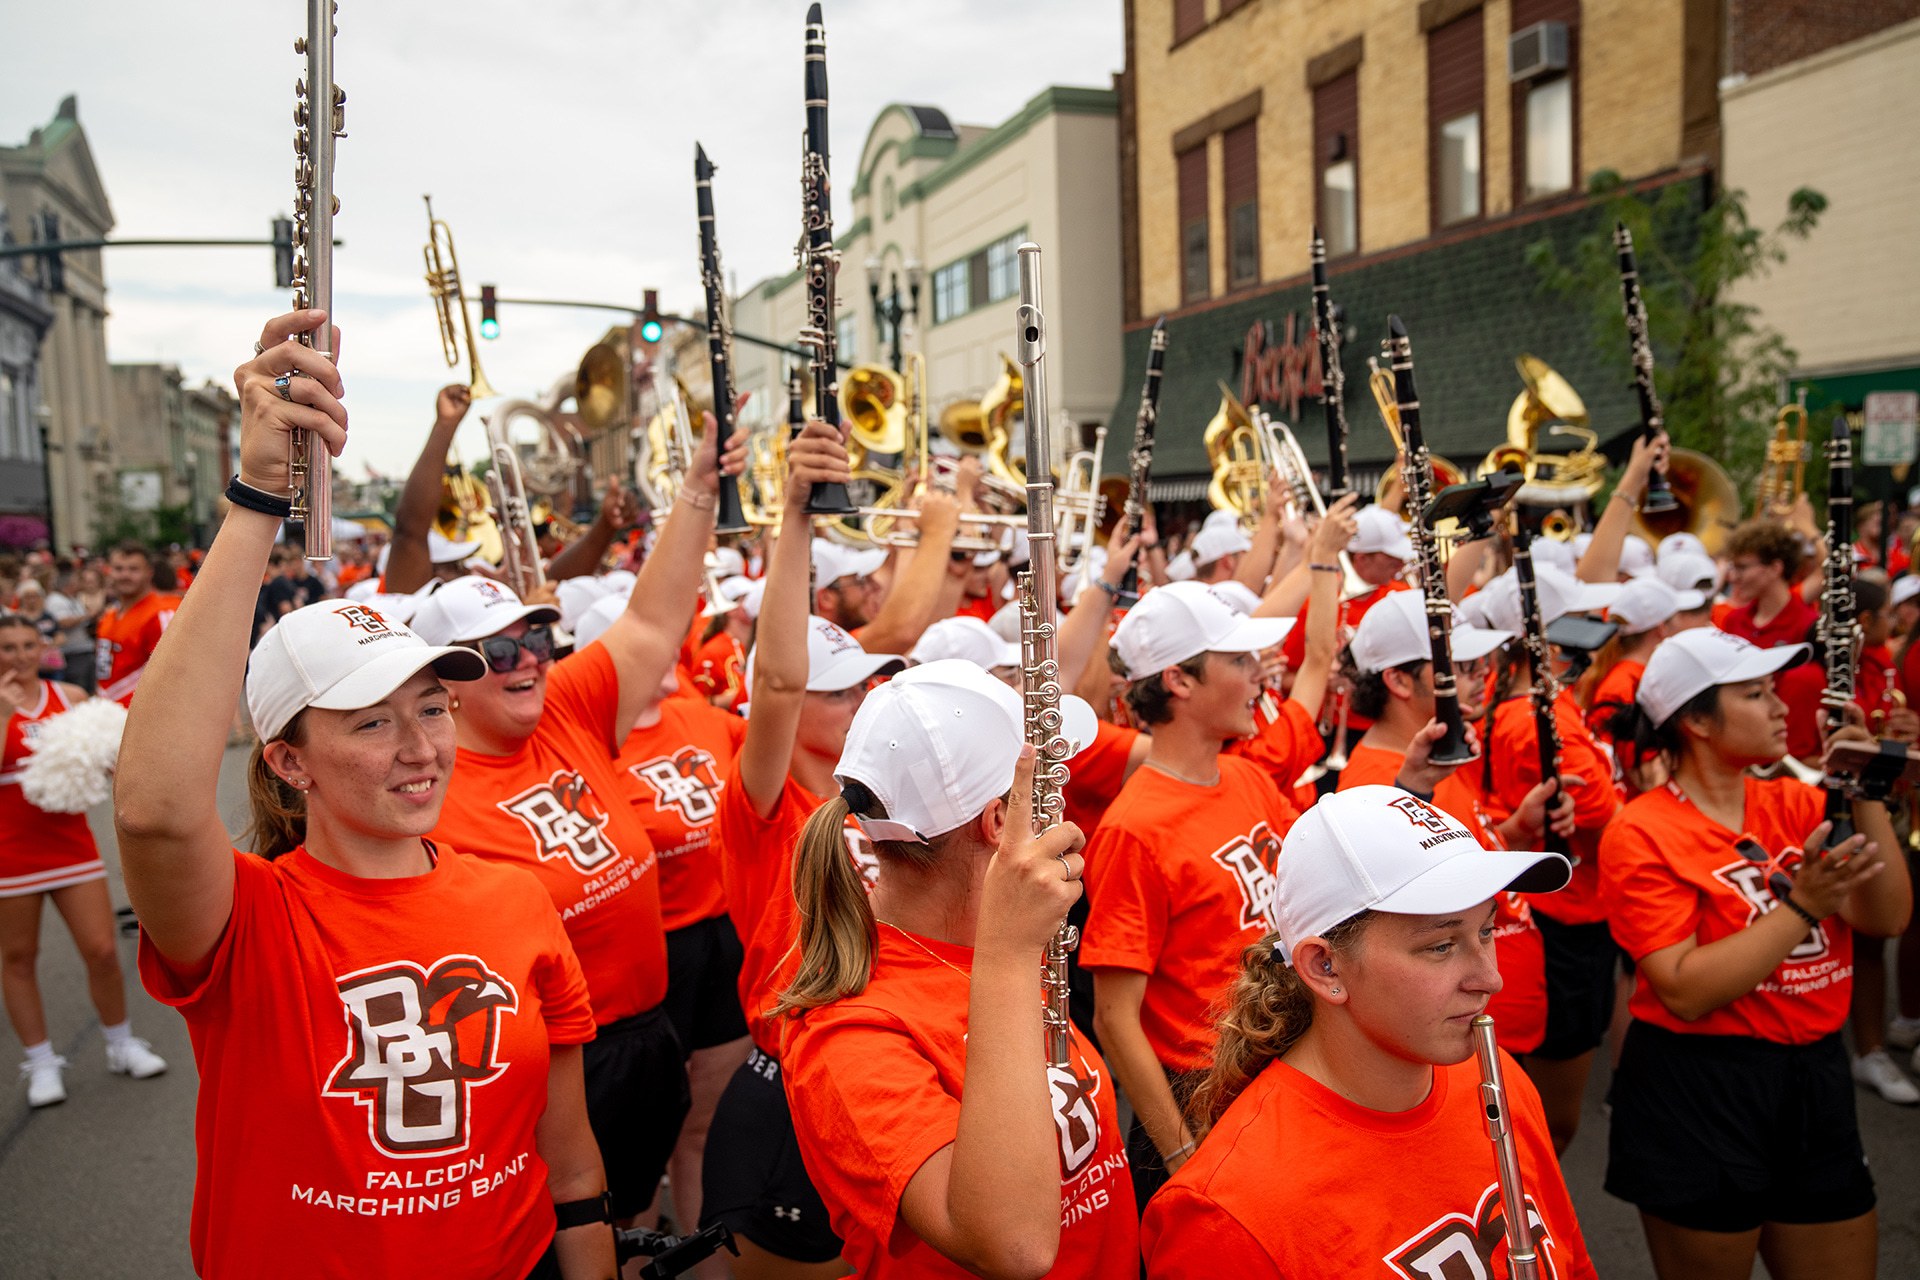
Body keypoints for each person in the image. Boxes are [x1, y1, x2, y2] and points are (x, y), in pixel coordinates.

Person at [116, 309, 614, 1279]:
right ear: (290, 761)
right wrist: (256, 495)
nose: (422, 747)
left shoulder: (515, 897)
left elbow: (570, 1157)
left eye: (431, 706)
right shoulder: (249, 922)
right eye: (372, 720)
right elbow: (153, 811)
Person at [411, 411, 743, 1232]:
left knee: (631, 1214)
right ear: (446, 680)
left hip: (648, 1029)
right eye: (497, 649)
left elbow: (652, 623)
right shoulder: (422, 788)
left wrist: (698, 490)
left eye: (534, 634)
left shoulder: (564, 706)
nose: (527, 657)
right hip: (554, 1062)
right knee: (565, 1233)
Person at [1140, 785, 1593, 1279]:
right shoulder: (1226, 1215)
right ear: (1325, 967)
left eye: (1485, 931)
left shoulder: (1495, 1077)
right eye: (1441, 946)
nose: (1491, 978)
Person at [778, 660, 1138, 1277]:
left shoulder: (988, 950)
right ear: (1001, 822)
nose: (1064, 808)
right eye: (1048, 787)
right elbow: (1015, 1248)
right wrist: (1006, 960)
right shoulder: (848, 1034)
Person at [1599, 627, 1910, 1280]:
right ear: (1697, 722)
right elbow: (1682, 988)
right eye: (1754, 694)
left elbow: (1887, 916)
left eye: (1774, 690)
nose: (1780, 708)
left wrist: (1866, 783)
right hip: (1700, 1085)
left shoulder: (1798, 801)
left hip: (1814, 1078)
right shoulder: (1641, 830)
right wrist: (1802, 907)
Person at [1082, 528, 1341, 1210]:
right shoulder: (1134, 829)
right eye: (1239, 659)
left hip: (1284, 1065)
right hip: (1202, 1094)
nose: (1261, 671)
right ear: (1179, 680)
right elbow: (1115, 1018)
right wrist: (1179, 1152)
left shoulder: (1247, 779)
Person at [703, 416, 901, 1278]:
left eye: (867, 683)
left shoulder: (889, 808)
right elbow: (778, 679)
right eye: (842, 691)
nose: (864, 700)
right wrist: (795, 512)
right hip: (791, 1099)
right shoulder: (764, 808)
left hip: (879, 1088)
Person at [575, 598, 752, 1263]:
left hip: (719, 943)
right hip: (643, 957)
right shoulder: (586, 747)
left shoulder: (705, 721)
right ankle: (639, 1260)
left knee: (705, 1128)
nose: (675, 650)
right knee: (634, 1155)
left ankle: (704, 1263)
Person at [1473, 565, 1623, 1153]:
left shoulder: (1504, 703)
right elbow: (1608, 810)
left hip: (1550, 915)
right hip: (1566, 920)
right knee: (1549, 1125)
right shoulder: (1538, 718)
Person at [1, 613, 166, 1107]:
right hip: (10, 852)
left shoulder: (67, 698)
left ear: (42, 648)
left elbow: (107, 754)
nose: (19, 656)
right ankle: (41, 1062)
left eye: (28, 645)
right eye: (8, 647)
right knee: (19, 958)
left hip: (70, 846)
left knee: (100, 950)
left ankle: (121, 1043)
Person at [94, 541, 180, 705]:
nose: (125, 575)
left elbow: (174, 675)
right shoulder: (109, 615)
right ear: (109, 571)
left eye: (133, 569)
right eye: (119, 569)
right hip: (109, 713)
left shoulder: (160, 614)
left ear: (149, 572)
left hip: (142, 714)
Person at [1719, 520, 1819, 651]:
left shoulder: (1808, 624)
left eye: (1742, 568)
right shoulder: (1733, 621)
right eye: (1734, 567)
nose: (1733, 578)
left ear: (1775, 568)